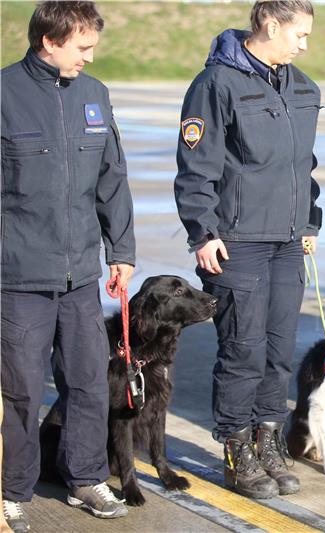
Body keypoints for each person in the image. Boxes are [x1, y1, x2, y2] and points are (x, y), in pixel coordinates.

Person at [174, 0, 322, 499]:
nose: (305, 44)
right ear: (270, 25)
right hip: (237, 242)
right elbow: (197, 167)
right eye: (299, 34)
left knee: (279, 351)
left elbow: (306, 166)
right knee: (243, 351)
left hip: (286, 242)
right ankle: (238, 452)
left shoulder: (302, 86)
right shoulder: (216, 84)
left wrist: (310, 222)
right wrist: (202, 232)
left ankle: (268, 442)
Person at [1, 2, 135, 530]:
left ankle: (85, 477)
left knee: (87, 382)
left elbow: (112, 180)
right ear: (49, 41)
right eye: (83, 46)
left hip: (81, 276)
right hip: (18, 278)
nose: (90, 56)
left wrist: (120, 251)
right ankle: (12, 489)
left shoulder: (93, 95)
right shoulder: (5, 95)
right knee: (20, 390)